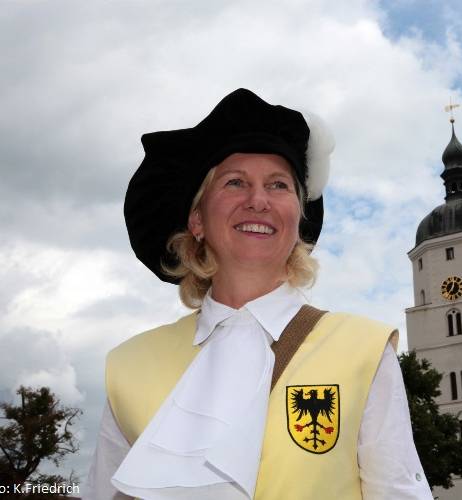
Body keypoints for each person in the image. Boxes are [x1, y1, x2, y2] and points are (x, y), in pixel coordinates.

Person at [85, 88, 433, 500]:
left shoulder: (364, 351)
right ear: (197, 220)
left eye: (278, 185)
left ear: (297, 220)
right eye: (235, 182)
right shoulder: (130, 367)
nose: (258, 201)